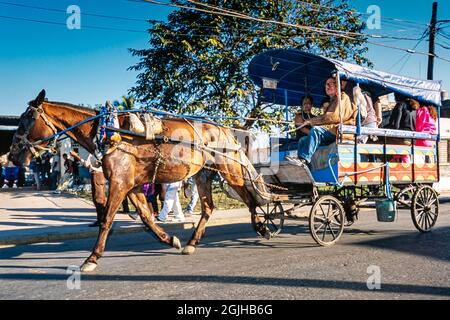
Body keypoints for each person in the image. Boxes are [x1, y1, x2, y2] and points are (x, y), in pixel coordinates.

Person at [291, 76, 357, 165]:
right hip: (332, 130)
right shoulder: (333, 100)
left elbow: (334, 117)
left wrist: (312, 121)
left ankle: (304, 159)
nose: (327, 87)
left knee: (316, 131)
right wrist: (313, 121)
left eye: (330, 84)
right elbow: (326, 118)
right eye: (326, 85)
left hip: (338, 130)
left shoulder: (342, 97)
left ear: (337, 85)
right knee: (302, 140)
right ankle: (303, 166)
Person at [70, 151, 107, 227]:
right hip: (97, 174)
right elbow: (88, 164)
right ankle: (101, 219)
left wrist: (77, 156)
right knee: (98, 198)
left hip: (97, 174)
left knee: (99, 199)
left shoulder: (97, 152)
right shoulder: (95, 152)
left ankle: (102, 220)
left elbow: (91, 164)